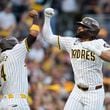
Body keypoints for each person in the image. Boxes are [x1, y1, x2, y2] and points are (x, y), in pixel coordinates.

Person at [42, 8, 110, 110]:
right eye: (80, 26)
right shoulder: (72, 42)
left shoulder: (98, 43)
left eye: (83, 27)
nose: (79, 28)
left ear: (90, 30)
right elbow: (48, 37)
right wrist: (47, 18)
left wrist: (95, 50)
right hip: (77, 90)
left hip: (94, 92)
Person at [0, 10, 40, 110]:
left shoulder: (1, 61)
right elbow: (33, 34)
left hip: (4, 103)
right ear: (13, 46)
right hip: (17, 102)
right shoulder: (15, 52)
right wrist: (35, 18)